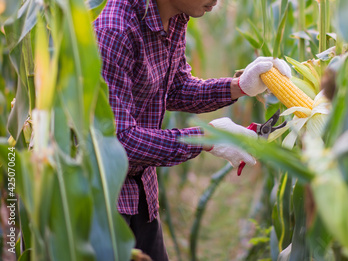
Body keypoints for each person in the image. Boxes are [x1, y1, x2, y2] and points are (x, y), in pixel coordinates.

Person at [93, 0, 291, 259]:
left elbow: (174, 88)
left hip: (142, 189)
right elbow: (117, 141)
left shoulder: (175, 16)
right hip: (104, 202)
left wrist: (239, 85)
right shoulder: (115, 29)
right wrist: (203, 139)